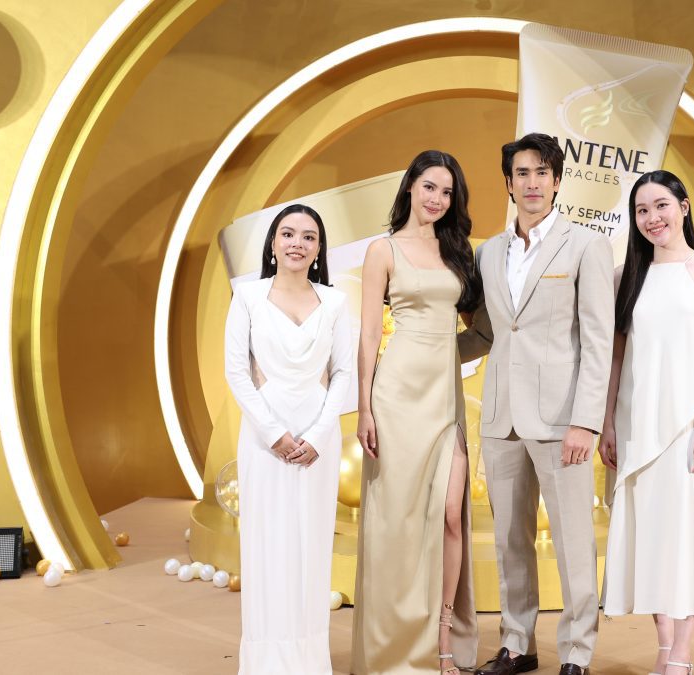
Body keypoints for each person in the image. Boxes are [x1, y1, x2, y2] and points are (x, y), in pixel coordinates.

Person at [459, 133, 614, 675]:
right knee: (510, 541)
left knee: (573, 540)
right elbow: (486, 333)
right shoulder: (489, 252)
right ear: (508, 182)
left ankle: (577, 652)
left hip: (561, 419)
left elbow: (597, 340)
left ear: (557, 180)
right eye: (522, 173)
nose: (531, 182)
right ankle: (516, 644)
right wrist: (420, 351)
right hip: (501, 416)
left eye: (541, 172)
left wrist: (585, 422)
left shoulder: (586, 245)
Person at [600, 170, 694, 675]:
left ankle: (682, 652)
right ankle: (663, 647)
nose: (652, 218)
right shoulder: (625, 276)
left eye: (661, 205)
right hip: (637, 424)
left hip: (687, 426)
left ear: (683, 206)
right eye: (641, 210)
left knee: (685, 536)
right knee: (651, 537)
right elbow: (616, 358)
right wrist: (608, 423)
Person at [352, 150, 482, 674]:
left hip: (444, 398)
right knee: (397, 523)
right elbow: (368, 335)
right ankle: (391, 646)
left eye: (447, 192)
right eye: (430, 186)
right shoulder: (381, 250)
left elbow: (482, 328)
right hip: (395, 397)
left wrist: (448, 352)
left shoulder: (458, 251)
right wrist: (364, 407)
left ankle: (442, 639)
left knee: (450, 515)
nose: (437, 199)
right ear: (410, 186)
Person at [224, 204, 353, 674]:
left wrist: (318, 435)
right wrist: (274, 434)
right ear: (274, 244)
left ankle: (308, 661)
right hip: (265, 437)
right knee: (268, 546)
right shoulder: (247, 296)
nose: (298, 243)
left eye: (309, 236)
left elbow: (343, 373)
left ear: (319, 249)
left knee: (311, 546)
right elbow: (237, 373)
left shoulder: (336, 302)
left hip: (319, 437)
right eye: (288, 234)